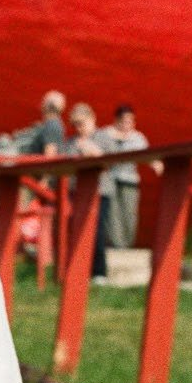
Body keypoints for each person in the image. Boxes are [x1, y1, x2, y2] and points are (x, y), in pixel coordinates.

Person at [94, 104, 162, 250]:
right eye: (125, 121)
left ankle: (127, 245)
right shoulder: (105, 134)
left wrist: (156, 164)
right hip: (110, 180)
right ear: (117, 120)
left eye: (131, 121)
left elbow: (146, 154)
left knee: (130, 214)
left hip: (130, 180)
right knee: (113, 216)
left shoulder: (137, 138)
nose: (128, 125)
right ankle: (118, 246)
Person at [61, 103, 109, 281]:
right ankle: (78, 270)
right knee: (77, 230)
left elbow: (111, 162)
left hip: (100, 191)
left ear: (92, 119)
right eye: (75, 125)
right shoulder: (71, 142)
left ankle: (99, 272)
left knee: (97, 231)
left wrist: (93, 153)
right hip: (77, 192)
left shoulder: (103, 137)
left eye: (81, 123)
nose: (78, 128)